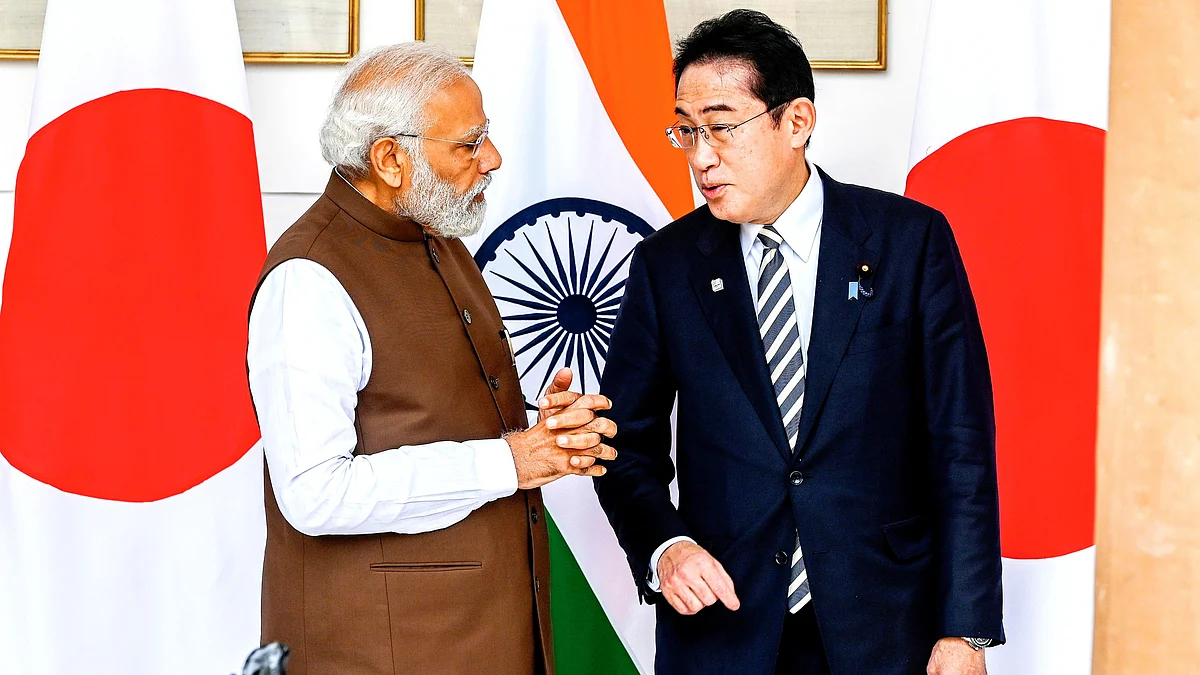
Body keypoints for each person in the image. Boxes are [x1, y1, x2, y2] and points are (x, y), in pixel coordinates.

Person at [594, 10, 1003, 675]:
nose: (701, 155)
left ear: (796, 122)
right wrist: (665, 544)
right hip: (724, 628)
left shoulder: (910, 242)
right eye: (687, 131)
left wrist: (967, 631)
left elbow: (960, 446)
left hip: (885, 624)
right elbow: (626, 447)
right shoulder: (666, 267)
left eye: (722, 126)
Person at [247, 43, 615, 675]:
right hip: (382, 649)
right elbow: (312, 493)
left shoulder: (436, 235)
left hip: (477, 634)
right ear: (392, 158)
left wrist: (541, 428)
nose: (492, 160)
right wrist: (511, 461)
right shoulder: (309, 278)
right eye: (468, 145)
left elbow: (418, 409)